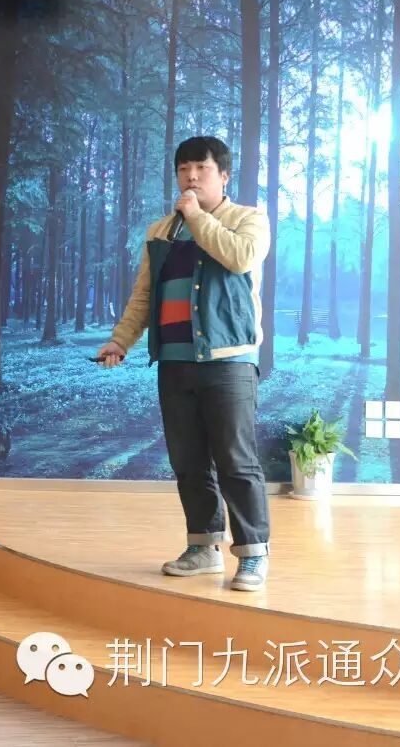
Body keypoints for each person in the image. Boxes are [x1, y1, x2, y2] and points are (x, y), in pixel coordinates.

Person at [95, 136, 272, 592]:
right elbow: (144, 295)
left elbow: (240, 258)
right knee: (188, 461)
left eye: (201, 169)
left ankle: (253, 553)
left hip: (229, 360)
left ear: (223, 176)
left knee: (236, 460)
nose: (191, 177)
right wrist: (120, 340)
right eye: (183, 169)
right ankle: (204, 547)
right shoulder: (160, 232)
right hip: (174, 361)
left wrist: (196, 217)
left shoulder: (248, 219)